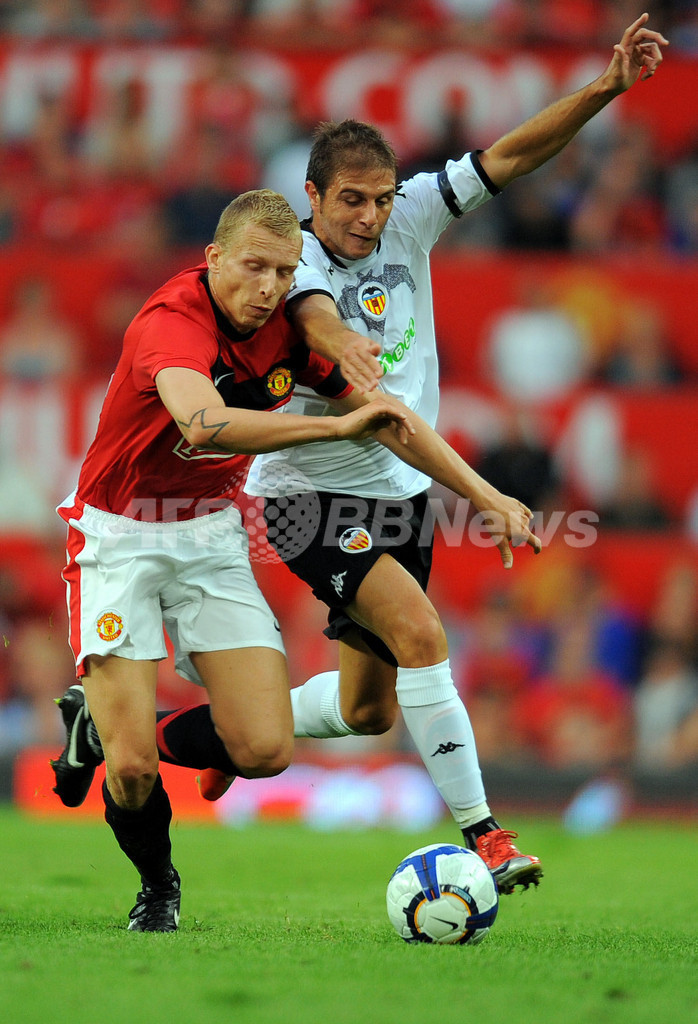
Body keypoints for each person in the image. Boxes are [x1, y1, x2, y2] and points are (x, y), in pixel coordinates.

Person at [54, 14, 667, 899]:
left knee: (367, 708)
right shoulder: (287, 264)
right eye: (350, 201)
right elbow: (312, 321)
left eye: (379, 199)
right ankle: (487, 835)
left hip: (400, 486)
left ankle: (165, 737)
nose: (369, 216)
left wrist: (605, 89)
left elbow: (511, 156)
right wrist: (343, 350)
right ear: (313, 197)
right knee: (422, 633)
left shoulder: (410, 213)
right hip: (306, 495)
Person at [49, 188, 420, 932]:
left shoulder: (286, 330)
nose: (269, 288)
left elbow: (386, 419)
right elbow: (203, 423)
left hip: (210, 535)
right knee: (132, 771)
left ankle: (99, 726)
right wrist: (332, 430)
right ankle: (158, 886)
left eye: (284, 273)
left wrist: (485, 495)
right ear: (213, 257)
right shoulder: (170, 322)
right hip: (119, 535)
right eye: (254, 267)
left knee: (265, 748)